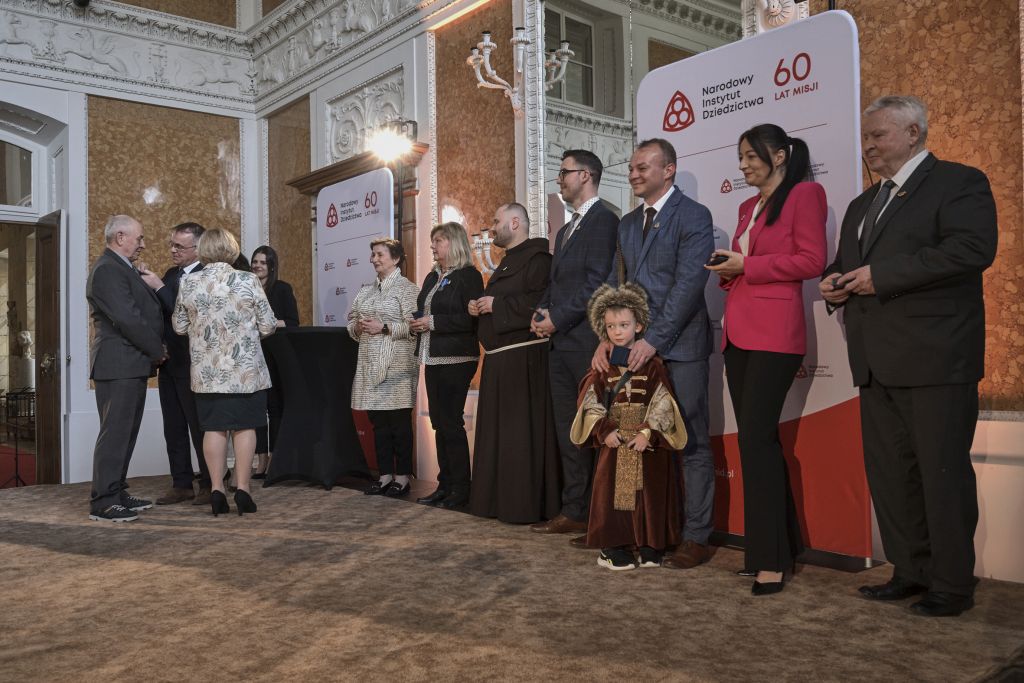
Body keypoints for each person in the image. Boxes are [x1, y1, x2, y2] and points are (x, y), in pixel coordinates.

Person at [820, 96, 997, 617]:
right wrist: (833, 283)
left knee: (941, 474)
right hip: (875, 360)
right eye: (866, 137)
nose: (868, 146)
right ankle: (910, 570)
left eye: (879, 135)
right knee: (892, 474)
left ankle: (951, 585)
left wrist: (882, 277)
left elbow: (972, 249)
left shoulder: (960, 182)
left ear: (914, 132)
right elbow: (846, 264)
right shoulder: (862, 204)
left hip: (937, 359)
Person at [706, 124, 827, 595]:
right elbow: (745, 267)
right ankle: (772, 549)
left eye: (750, 156)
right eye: (740, 158)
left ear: (779, 156)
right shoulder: (744, 207)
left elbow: (811, 261)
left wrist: (747, 266)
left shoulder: (805, 194)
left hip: (777, 335)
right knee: (755, 443)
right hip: (738, 333)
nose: (743, 165)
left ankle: (771, 559)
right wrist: (728, 270)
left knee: (757, 440)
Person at [594, 138, 716, 569]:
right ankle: (633, 533)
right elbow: (614, 282)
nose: (633, 174)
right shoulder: (627, 223)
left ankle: (696, 536)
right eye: (631, 167)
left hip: (679, 348)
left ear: (669, 170)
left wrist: (654, 339)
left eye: (643, 167)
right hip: (631, 349)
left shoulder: (695, 216)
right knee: (631, 435)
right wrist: (607, 333)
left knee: (690, 440)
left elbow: (687, 286)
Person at [529, 149, 618, 539]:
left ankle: (602, 517)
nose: (559, 179)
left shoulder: (604, 220)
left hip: (586, 343)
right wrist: (541, 312)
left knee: (596, 428)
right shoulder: (565, 230)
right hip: (559, 344)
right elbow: (557, 282)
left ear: (586, 175)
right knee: (569, 431)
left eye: (563, 172)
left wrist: (557, 317)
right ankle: (574, 509)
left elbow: (597, 282)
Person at [571, 283, 686, 571]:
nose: (618, 331)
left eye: (624, 324)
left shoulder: (653, 364)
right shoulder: (603, 364)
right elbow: (589, 399)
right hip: (616, 440)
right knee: (615, 495)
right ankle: (613, 546)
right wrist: (605, 431)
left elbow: (663, 400)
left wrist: (648, 432)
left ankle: (650, 544)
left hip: (646, 441)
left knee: (649, 493)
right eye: (611, 326)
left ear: (639, 325)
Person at [172, 229, 277, 516]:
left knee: (214, 429)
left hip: (208, 374)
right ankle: (242, 489)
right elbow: (268, 325)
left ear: (203, 250)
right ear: (231, 250)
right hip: (246, 372)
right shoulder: (248, 280)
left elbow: (179, 327)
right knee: (245, 427)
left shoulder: (189, 282)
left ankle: (217, 489)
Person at [468, 203, 561, 523]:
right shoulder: (509, 263)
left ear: (516, 222)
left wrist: (497, 304)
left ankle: (521, 506)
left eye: (497, 221)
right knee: (500, 438)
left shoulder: (539, 261)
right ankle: (495, 502)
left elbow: (542, 304)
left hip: (524, 360)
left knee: (520, 437)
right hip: (499, 362)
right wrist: (481, 307)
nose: (492, 227)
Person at [86, 215, 166, 522]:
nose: (143, 244)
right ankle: (103, 502)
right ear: (120, 237)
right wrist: (157, 350)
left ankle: (117, 491)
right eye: (139, 238)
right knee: (115, 433)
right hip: (118, 364)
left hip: (129, 363)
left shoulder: (121, 267)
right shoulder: (107, 269)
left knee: (126, 433)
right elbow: (128, 319)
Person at [409, 223, 484, 509]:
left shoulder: (469, 276)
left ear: (453, 243)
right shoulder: (432, 277)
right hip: (431, 356)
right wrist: (416, 321)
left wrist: (433, 323)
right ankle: (444, 484)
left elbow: (470, 321)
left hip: (457, 358)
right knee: (439, 423)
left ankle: (461, 489)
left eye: (438, 240)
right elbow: (425, 311)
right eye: (433, 241)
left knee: (451, 423)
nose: (433, 246)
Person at [139, 222, 211, 507]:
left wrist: (158, 286)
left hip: (193, 363)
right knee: (174, 427)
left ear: (198, 248)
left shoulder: (206, 276)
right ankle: (181, 484)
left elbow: (187, 313)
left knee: (200, 427)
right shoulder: (171, 274)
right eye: (172, 244)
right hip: (169, 362)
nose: (172, 250)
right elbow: (161, 313)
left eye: (179, 246)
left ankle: (209, 482)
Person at [347, 238, 419, 497]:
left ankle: (403, 477)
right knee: (378, 425)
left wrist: (385, 327)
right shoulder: (365, 291)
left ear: (396, 258)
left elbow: (416, 327)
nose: (374, 259)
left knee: (399, 425)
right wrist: (356, 327)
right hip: (369, 365)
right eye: (373, 255)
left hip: (397, 367)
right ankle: (385, 475)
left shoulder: (408, 289)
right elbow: (352, 321)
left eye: (380, 254)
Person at [251, 245, 299, 479]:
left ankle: (276, 461)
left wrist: (267, 323)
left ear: (271, 265)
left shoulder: (281, 289)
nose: (258, 266)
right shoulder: (246, 287)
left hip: (275, 356)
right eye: (255, 262)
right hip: (251, 356)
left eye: (263, 262)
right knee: (257, 411)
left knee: (275, 408)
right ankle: (261, 461)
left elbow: (292, 322)